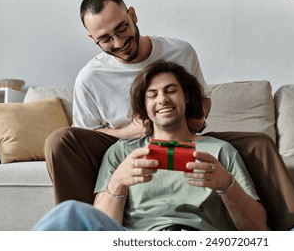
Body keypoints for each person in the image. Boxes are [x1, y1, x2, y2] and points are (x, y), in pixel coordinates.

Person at [44, 0, 294, 231]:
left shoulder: (180, 51)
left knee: (258, 143)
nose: (117, 42)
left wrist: (188, 127)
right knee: (60, 141)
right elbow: (86, 140)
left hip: (183, 133)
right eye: (104, 39)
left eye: (122, 28)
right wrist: (132, 135)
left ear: (133, 15)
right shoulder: (90, 77)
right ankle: (79, 231)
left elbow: (200, 106)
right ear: (92, 38)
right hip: (120, 140)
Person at [34, 61, 267, 231]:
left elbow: (259, 231)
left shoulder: (220, 151)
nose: (162, 100)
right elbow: (100, 230)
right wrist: (118, 182)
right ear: (144, 107)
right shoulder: (121, 153)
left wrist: (226, 184)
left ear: (186, 96)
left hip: (199, 237)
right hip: (137, 241)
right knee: (68, 213)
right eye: (152, 95)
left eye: (170, 90)